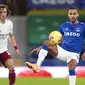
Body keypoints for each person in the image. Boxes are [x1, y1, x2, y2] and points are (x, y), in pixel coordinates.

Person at [26, 6, 85, 85]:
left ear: (78, 14)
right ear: (68, 15)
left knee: (72, 66)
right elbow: (54, 39)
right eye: (70, 14)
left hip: (74, 54)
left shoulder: (83, 27)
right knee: (47, 42)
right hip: (62, 51)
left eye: (74, 14)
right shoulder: (63, 26)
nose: (72, 15)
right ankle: (37, 66)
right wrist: (40, 47)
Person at [0, 4, 21, 85]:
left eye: (5, 12)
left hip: (3, 51)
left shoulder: (9, 23)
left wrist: (16, 48)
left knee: (12, 67)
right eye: (1, 12)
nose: (3, 14)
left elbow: (11, 36)